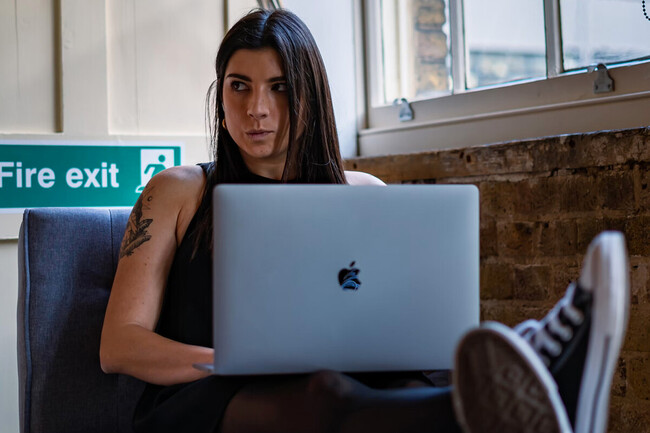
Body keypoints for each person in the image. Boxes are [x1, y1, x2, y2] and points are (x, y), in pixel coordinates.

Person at [99, 8, 630, 433]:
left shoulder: (364, 193)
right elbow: (119, 345)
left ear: (310, 97)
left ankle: (530, 386)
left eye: (279, 87)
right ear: (220, 99)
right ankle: (532, 379)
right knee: (324, 393)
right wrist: (229, 361)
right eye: (239, 86)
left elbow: (402, 326)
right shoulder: (179, 190)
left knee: (401, 384)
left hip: (346, 381)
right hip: (209, 400)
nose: (257, 108)